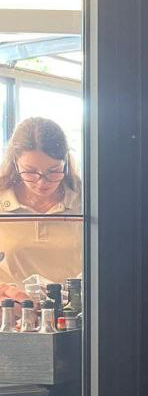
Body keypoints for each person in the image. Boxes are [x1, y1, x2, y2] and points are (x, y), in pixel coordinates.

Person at [0, 117, 83, 303]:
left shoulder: (86, 201)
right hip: (12, 313)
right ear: (15, 162)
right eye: (30, 171)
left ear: (65, 162)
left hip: (75, 313)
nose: (42, 182)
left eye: (53, 171)